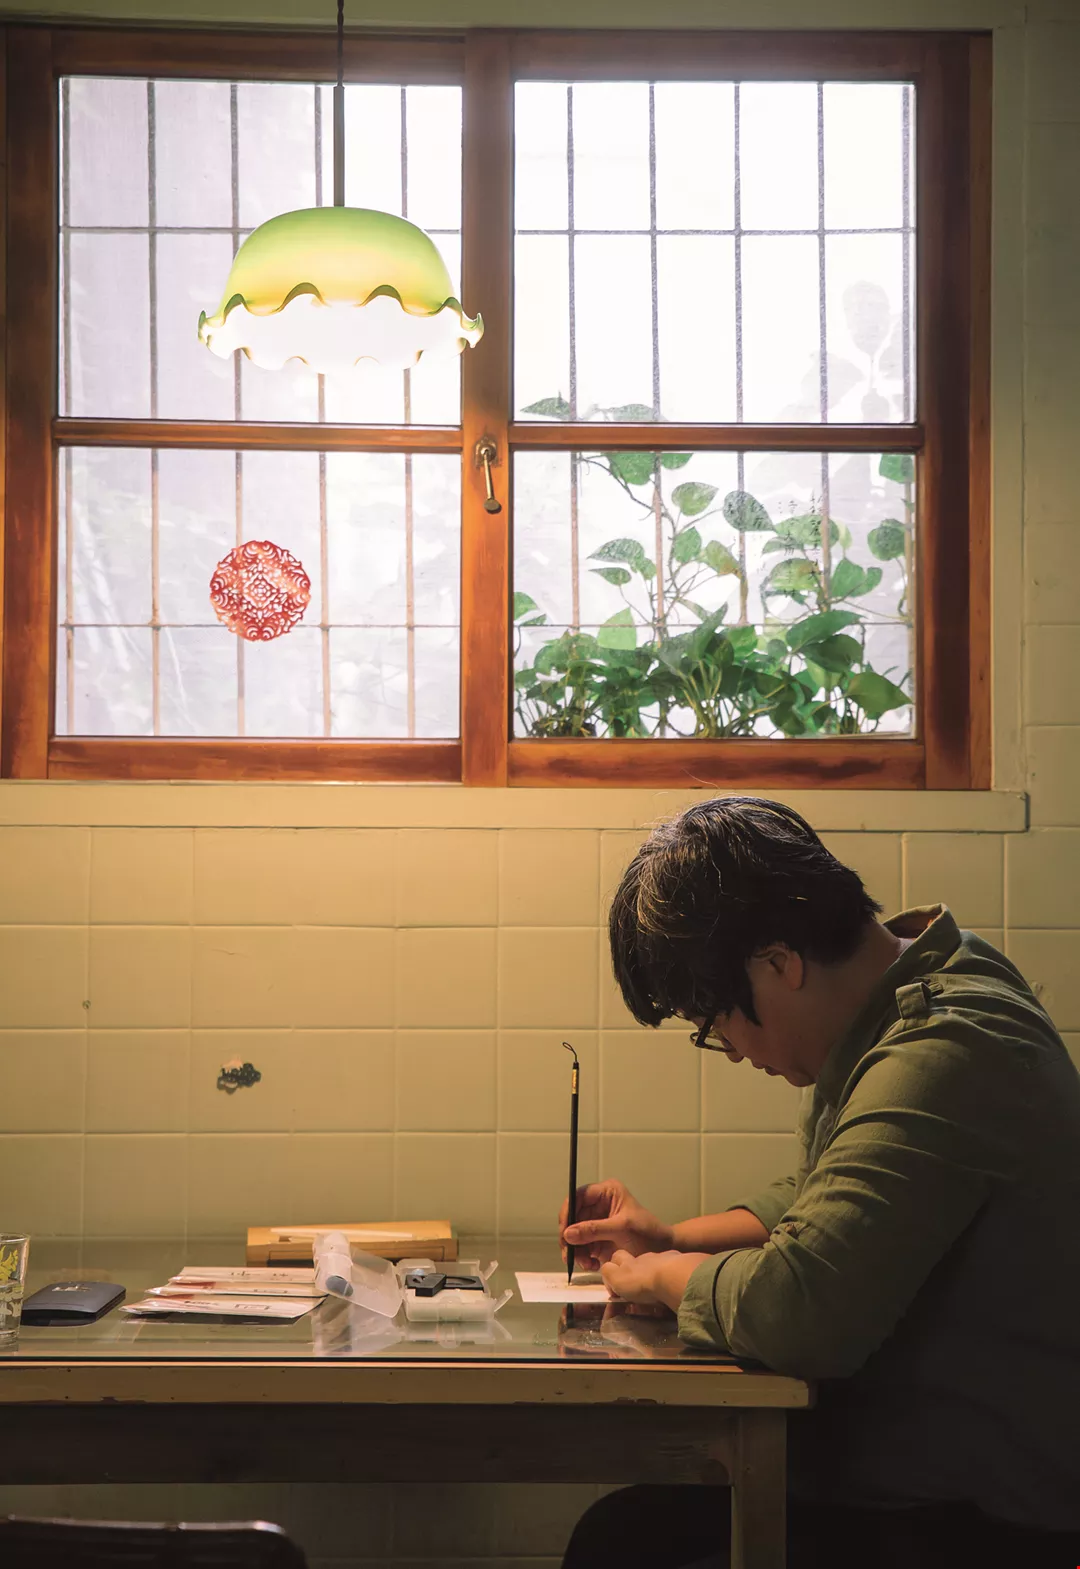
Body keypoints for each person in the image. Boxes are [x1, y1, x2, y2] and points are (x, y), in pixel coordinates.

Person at [559, 797, 1080, 1569]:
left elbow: (799, 1308)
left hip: (988, 1515)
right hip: (917, 1476)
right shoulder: (905, 1002)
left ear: (778, 963)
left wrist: (665, 1276)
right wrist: (670, 1236)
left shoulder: (945, 1046)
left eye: (715, 1019)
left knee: (624, 1547)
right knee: (624, 1532)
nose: (733, 1049)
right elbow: (823, 1195)